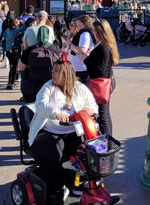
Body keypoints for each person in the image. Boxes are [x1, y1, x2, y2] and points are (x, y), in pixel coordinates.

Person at [28, 55, 98, 205]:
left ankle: (78, 182)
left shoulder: (79, 88)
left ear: (66, 74)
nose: (52, 74)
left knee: (86, 155)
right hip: (50, 131)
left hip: (74, 131)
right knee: (48, 152)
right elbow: (40, 105)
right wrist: (55, 114)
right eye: (52, 71)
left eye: (56, 71)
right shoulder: (48, 87)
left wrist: (83, 113)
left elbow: (93, 105)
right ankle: (58, 186)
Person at [82, 19, 118, 136]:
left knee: (102, 115)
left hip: (102, 83)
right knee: (104, 114)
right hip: (104, 81)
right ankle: (108, 138)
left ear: (99, 32)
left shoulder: (103, 48)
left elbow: (100, 70)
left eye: (94, 30)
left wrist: (86, 60)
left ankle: (107, 140)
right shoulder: (103, 45)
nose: (92, 33)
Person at [18, 26, 62, 103]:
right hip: (50, 83)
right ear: (48, 35)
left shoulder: (29, 50)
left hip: (33, 84)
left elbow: (21, 68)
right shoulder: (56, 49)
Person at [67, 15, 95, 84]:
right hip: (79, 68)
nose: (77, 27)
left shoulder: (85, 34)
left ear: (85, 24)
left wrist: (71, 45)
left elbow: (82, 50)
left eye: (79, 25)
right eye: (77, 25)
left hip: (81, 69)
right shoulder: (84, 33)